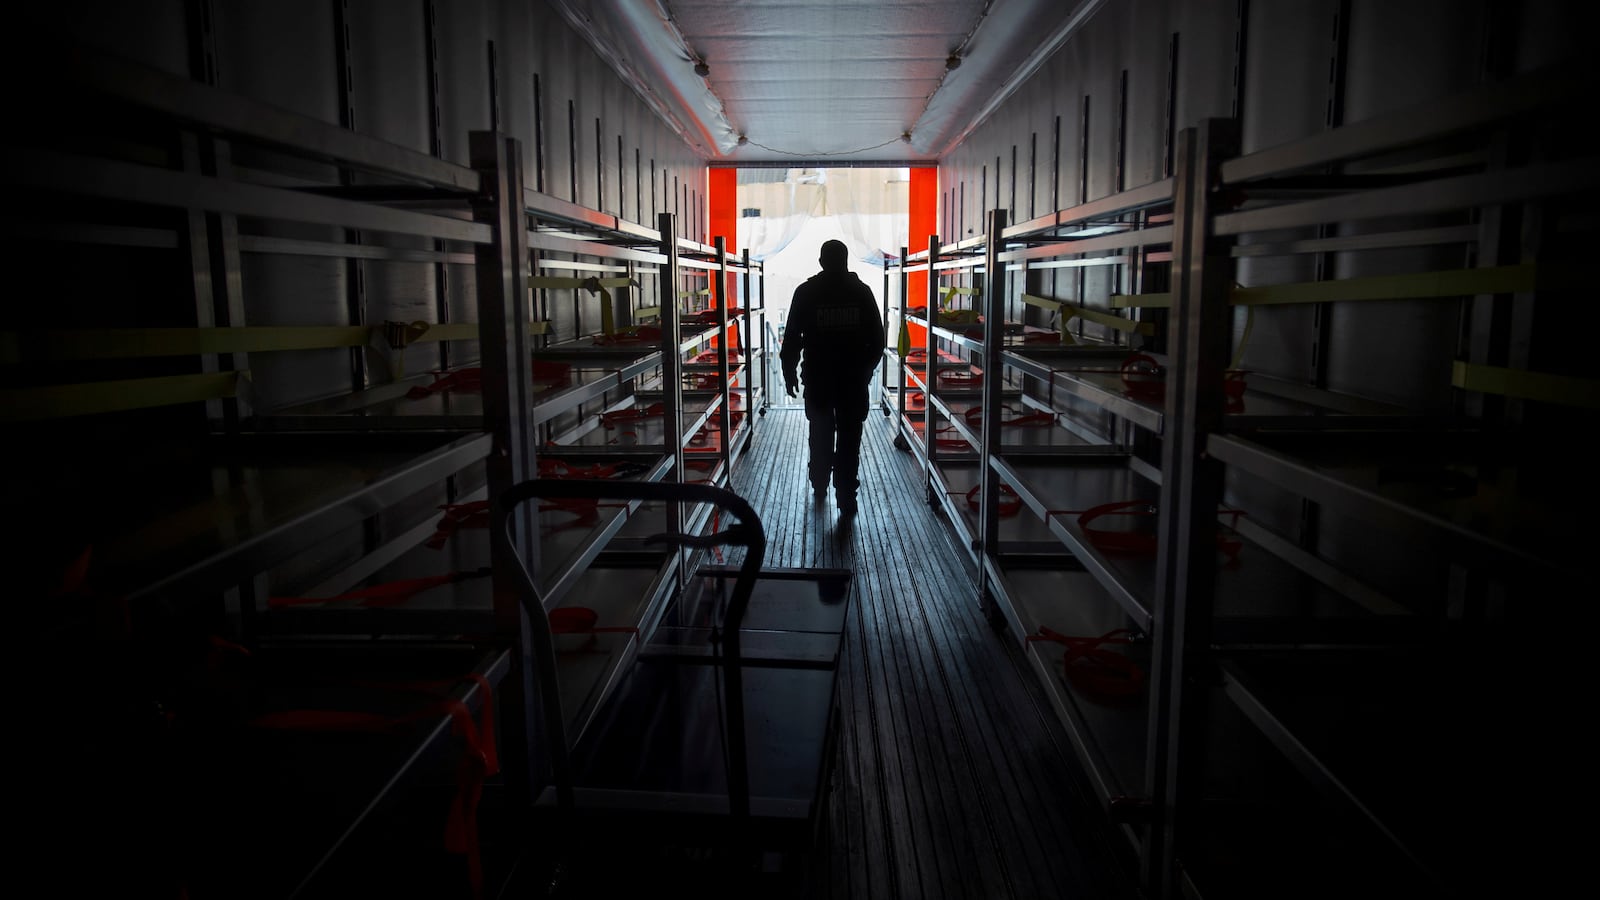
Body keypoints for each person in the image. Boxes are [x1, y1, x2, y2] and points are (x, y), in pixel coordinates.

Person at [780, 239, 885, 514]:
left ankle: (819, 481)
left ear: (821, 262)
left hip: (818, 380)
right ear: (846, 260)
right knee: (850, 439)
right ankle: (846, 493)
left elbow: (792, 338)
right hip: (852, 382)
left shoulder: (806, 292)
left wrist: (789, 371)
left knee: (820, 433)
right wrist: (865, 372)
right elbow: (877, 341)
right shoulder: (861, 293)